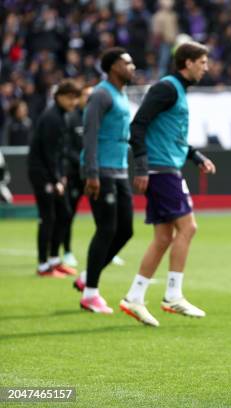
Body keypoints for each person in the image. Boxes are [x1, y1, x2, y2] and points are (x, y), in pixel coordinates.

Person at [119, 41, 216, 327]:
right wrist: (142, 167)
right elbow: (137, 126)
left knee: (163, 238)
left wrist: (196, 156)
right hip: (161, 171)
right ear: (187, 63)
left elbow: (171, 135)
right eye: (202, 62)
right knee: (188, 227)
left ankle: (134, 298)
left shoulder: (177, 91)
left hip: (165, 167)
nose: (206, 67)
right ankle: (173, 295)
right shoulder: (167, 88)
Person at [76, 47, 135, 313]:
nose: (132, 66)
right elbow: (90, 134)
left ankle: (88, 274)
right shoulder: (100, 94)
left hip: (119, 169)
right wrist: (91, 172)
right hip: (101, 171)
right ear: (113, 67)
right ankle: (90, 293)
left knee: (126, 230)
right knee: (106, 229)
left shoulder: (120, 94)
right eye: (127, 63)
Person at [27, 80, 81, 278]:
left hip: (53, 173)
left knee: (64, 214)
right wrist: (56, 179)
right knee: (48, 218)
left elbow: (59, 152)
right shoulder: (52, 118)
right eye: (70, 97)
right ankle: (43, 266)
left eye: (76, 97)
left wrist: (61, 176)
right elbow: (49, 153)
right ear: (59, 96)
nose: (73, 102)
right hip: (42, 174)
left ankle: (54, 260)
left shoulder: (63, 116)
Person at [62, 86, 93, 267]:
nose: (89, 99)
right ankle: (66, 250)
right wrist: (83, 162)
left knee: (104, 215)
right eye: (86, 96)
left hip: (92, 173)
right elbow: (68, 148)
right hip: (75, 174)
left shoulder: (96, 117)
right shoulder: (71, 118)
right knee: (69, 213)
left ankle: (109, 252)